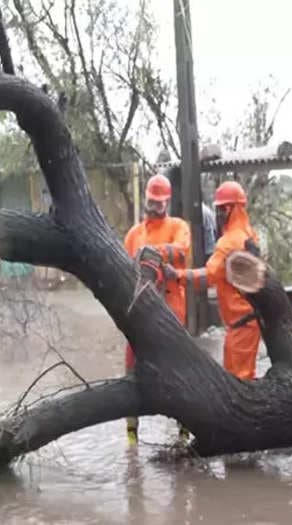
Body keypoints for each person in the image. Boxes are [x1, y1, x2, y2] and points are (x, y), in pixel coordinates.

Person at [165, 180, 262, 380]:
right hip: (247, 322)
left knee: (239, 382)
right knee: (242, 378)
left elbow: (208, 276)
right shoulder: (249, 235)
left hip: (241, 323)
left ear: (234, 208)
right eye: (218, 209)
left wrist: (177, 276)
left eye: (223, 209)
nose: (219, 214)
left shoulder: (229, 242)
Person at [123, 173, 191, 445]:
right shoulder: (134, 234)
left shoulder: (178, 227)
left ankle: (185, 428)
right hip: (139, 311)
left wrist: (153, 252)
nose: (155, 207)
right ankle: (131, 434)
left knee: (178, 369)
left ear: (168, 202)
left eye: (160, 203)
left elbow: (182, 251)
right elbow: (123, 268)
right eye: (152, 202)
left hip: (171, 310)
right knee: (132, 368)